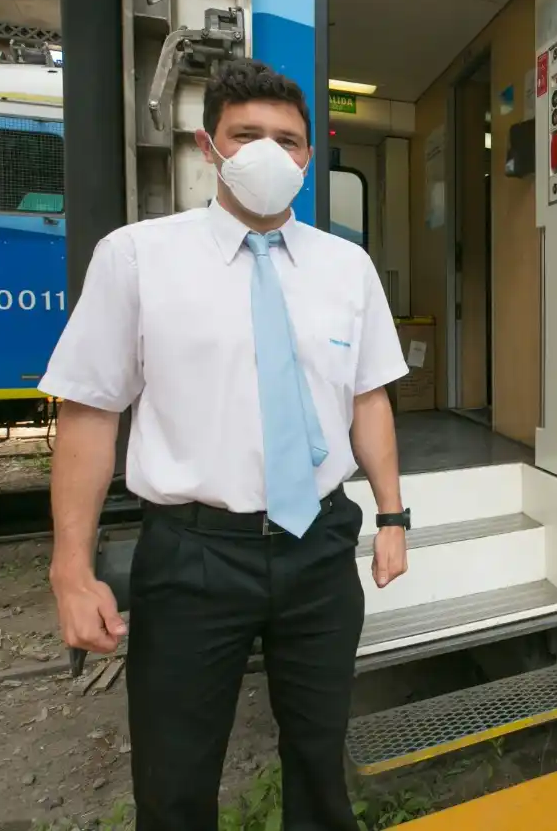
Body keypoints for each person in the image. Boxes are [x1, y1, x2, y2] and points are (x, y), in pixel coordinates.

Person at [41, 58, 411, 831]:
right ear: (210, 145)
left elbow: (369, 396)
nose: (269, 153)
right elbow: (89, 413)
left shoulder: (347, 268)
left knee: (320, 760)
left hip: (318, 546)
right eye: (248, 135)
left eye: (289, 140)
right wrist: (70, 570)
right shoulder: (138, 257)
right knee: (174, 782)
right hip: (193, 557)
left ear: (310, 158)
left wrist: (392, 517)